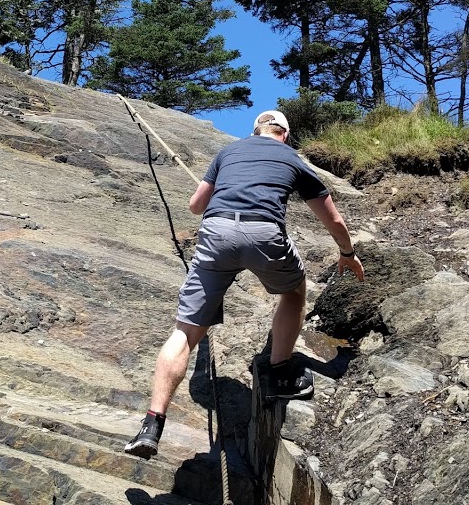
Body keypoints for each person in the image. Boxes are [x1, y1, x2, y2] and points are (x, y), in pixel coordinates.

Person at [124, 109, 364, 459]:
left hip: (216, 232)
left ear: (255, 130)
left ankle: (151, 424)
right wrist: (347, 252)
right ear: (285, 133)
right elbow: (333, 218)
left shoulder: (228, 152)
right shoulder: (292, 158)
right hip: (263, 233)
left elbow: (195, 206)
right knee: (294, 291)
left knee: (185, 332)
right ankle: (278, 370)